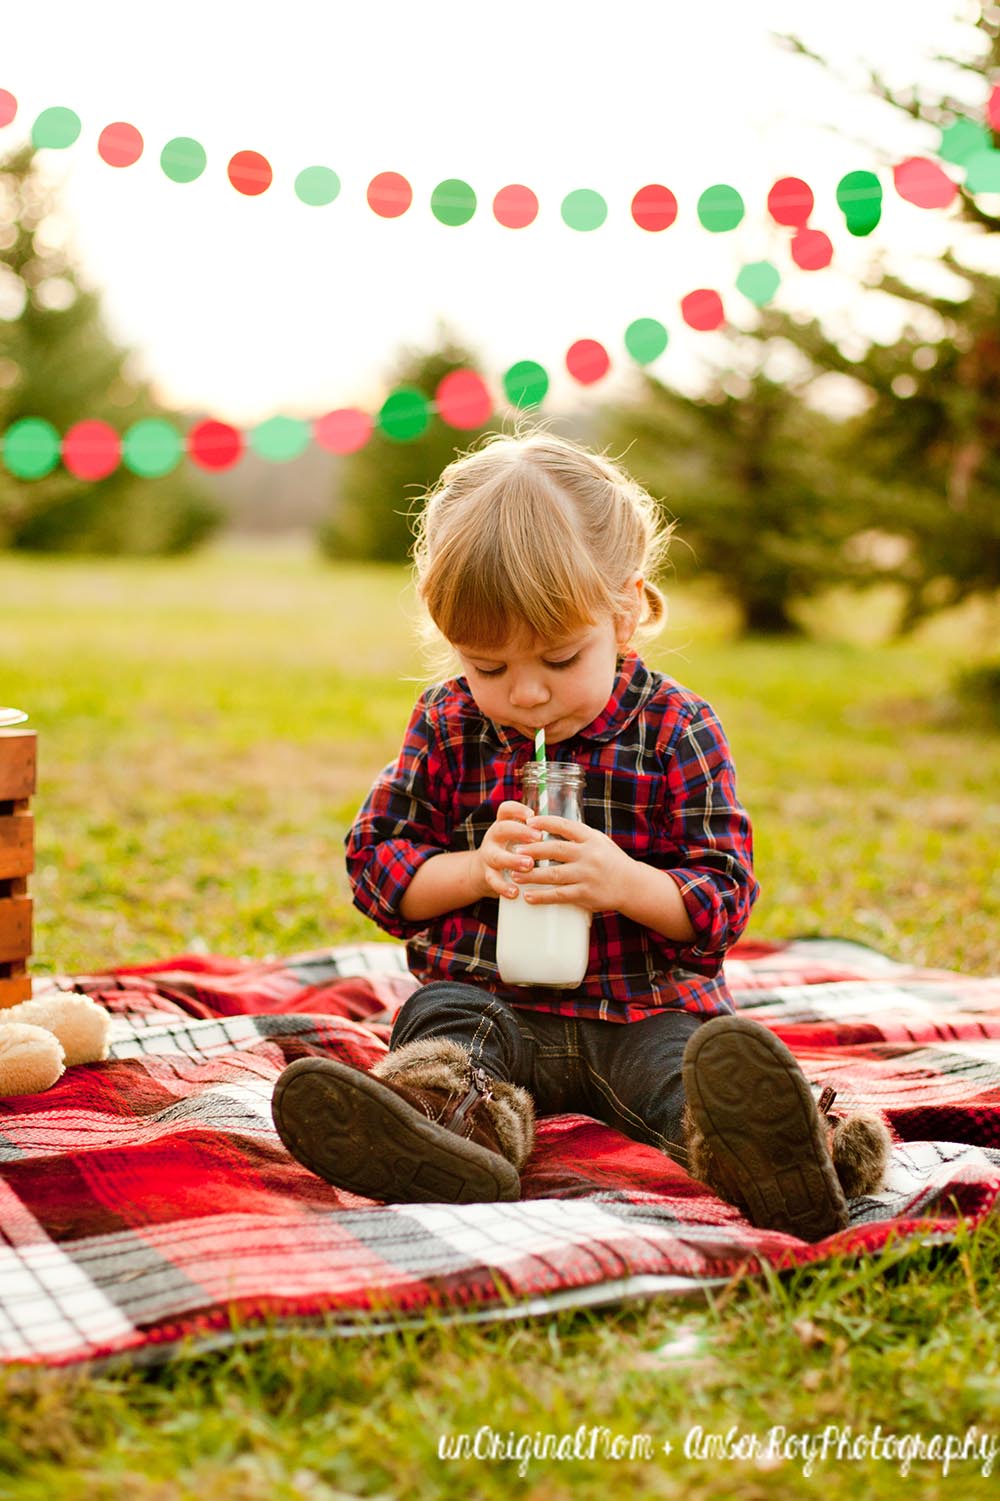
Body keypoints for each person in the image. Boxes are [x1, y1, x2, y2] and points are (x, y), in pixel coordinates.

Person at [272, 429, 890, 1240]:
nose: (524, 692)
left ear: (624, 612)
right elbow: (378, 868)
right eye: (488, 666)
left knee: (695, 1074)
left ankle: (792, 1154)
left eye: (560, 657)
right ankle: (442, 1132)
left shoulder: (676, 728)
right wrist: (475, 870)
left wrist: (624, 882)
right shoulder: (450, 721)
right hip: (494, 1000)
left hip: (644, 1011)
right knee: (447, 1032)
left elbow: (724, 899)